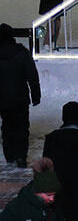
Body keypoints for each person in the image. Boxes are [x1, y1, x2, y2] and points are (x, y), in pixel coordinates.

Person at [0, 22, 40, 167]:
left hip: (3, 99)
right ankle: (21, 156)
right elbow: (32, 75)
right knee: (22, 127)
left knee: (7, 125)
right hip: (20, 97)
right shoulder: (22, 53)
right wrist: (36, 95)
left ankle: (9, 154)